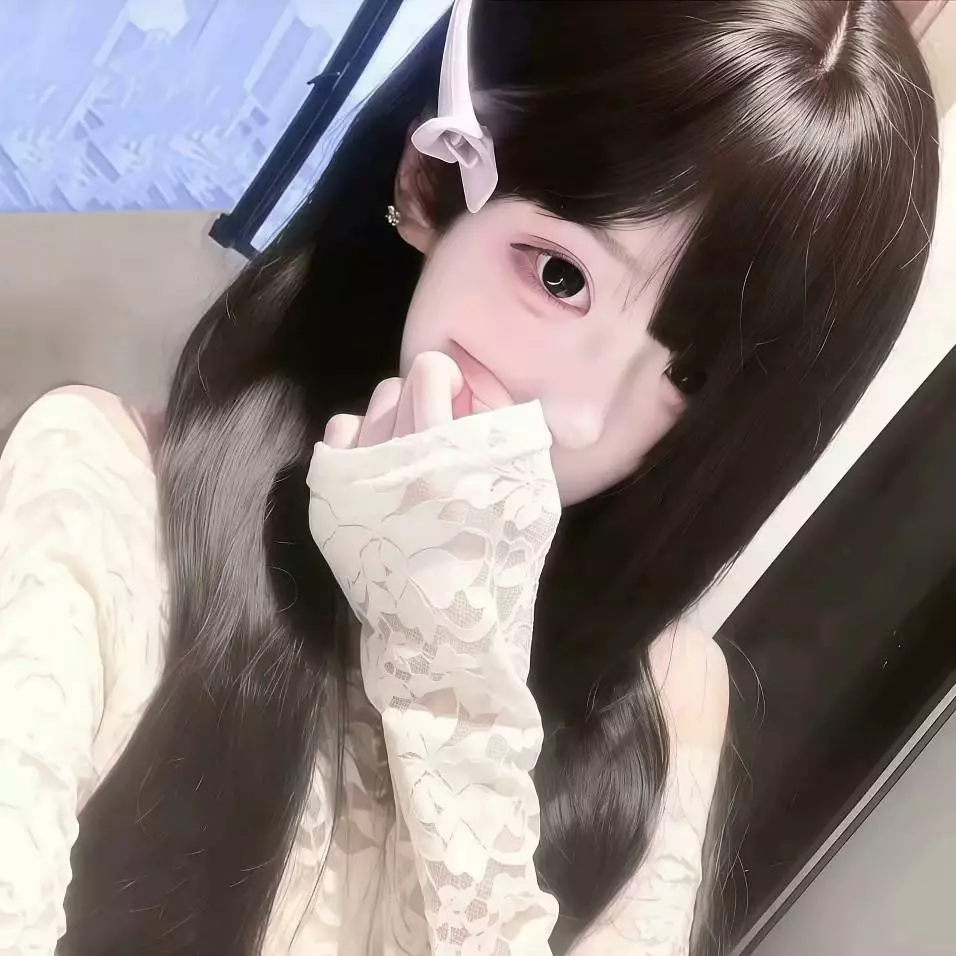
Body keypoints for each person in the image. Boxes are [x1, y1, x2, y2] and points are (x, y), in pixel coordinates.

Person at [0, 1, 938, 954]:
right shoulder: (105, 498)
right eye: (561, 277)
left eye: (689, 371)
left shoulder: (665, 706)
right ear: (430, 181)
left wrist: (453, 688)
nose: (578, 418)